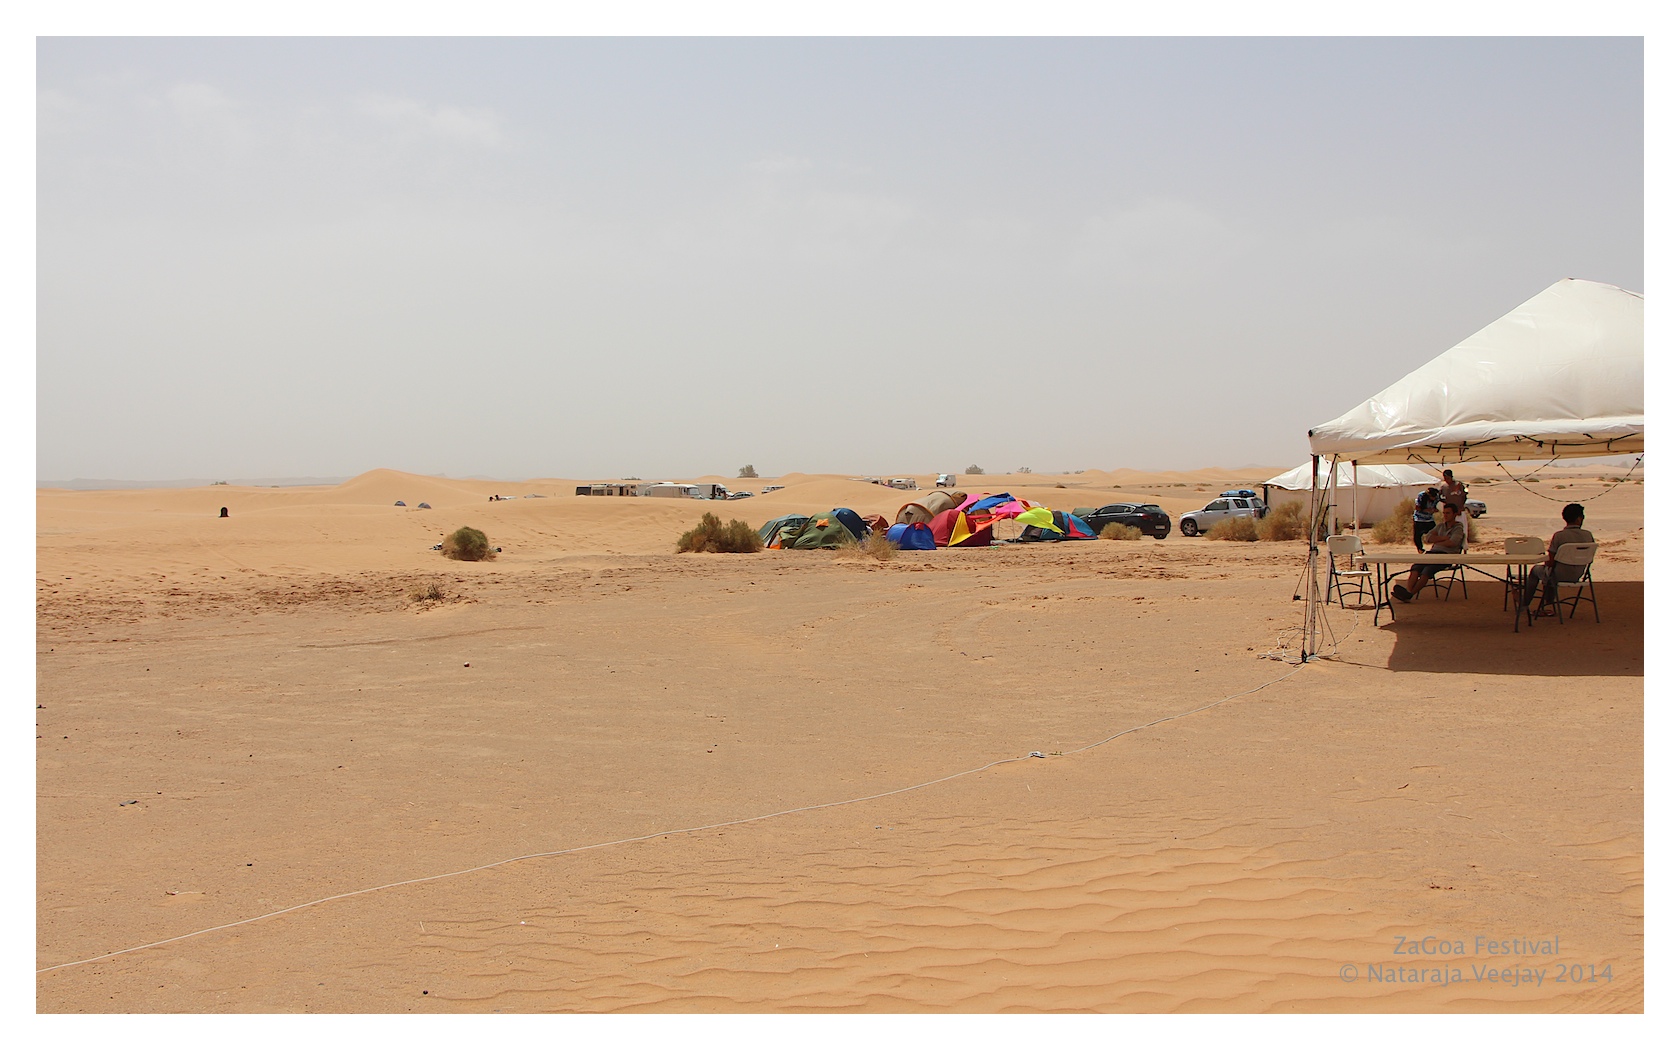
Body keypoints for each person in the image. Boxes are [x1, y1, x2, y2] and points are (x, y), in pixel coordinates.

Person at [1522, 503, 1595, 613]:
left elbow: (1550, 562)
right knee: (1550, 572)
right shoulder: (1588, 535)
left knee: (1537, 571)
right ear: (1579, 519)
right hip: (1578, 574)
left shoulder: (1559, 536)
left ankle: (1525, 603)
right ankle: (1548, 601)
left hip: (1558, 576)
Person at [1392, 502, 1465, 603]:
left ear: (1455, 514)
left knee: (1427, 570)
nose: (1445, 515)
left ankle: (1409, 595)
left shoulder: (1458, 528)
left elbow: (1453, 542)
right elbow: (1428, 538)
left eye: (1448, 513)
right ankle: (1407, 593)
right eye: (1444, 513)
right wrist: (1444, 538)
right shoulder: (1440, 526)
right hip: (1432, 553)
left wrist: (1437, 540)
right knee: (1415, 567)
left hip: (1446, 556)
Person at [1411, 487, 1440, 552]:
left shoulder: (1437, 497)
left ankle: (1437, 547)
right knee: (1418, 535)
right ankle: (1420, 549)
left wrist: (1435, 510)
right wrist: (1427, 510)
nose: (1434, 498)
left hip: (1429, 519)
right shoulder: (1421, 496)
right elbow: (1417, 507)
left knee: (1436, 532)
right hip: (1419, 519)